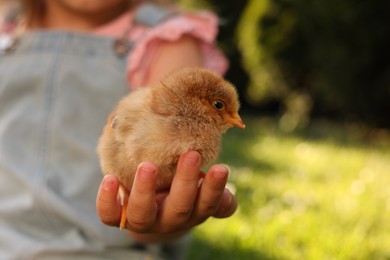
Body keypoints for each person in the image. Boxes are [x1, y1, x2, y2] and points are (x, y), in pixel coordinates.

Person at [0, 0, 238, 259]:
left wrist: (156, 220)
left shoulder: (165, 40)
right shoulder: (5, 28)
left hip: (106, 250)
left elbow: (170, 180)